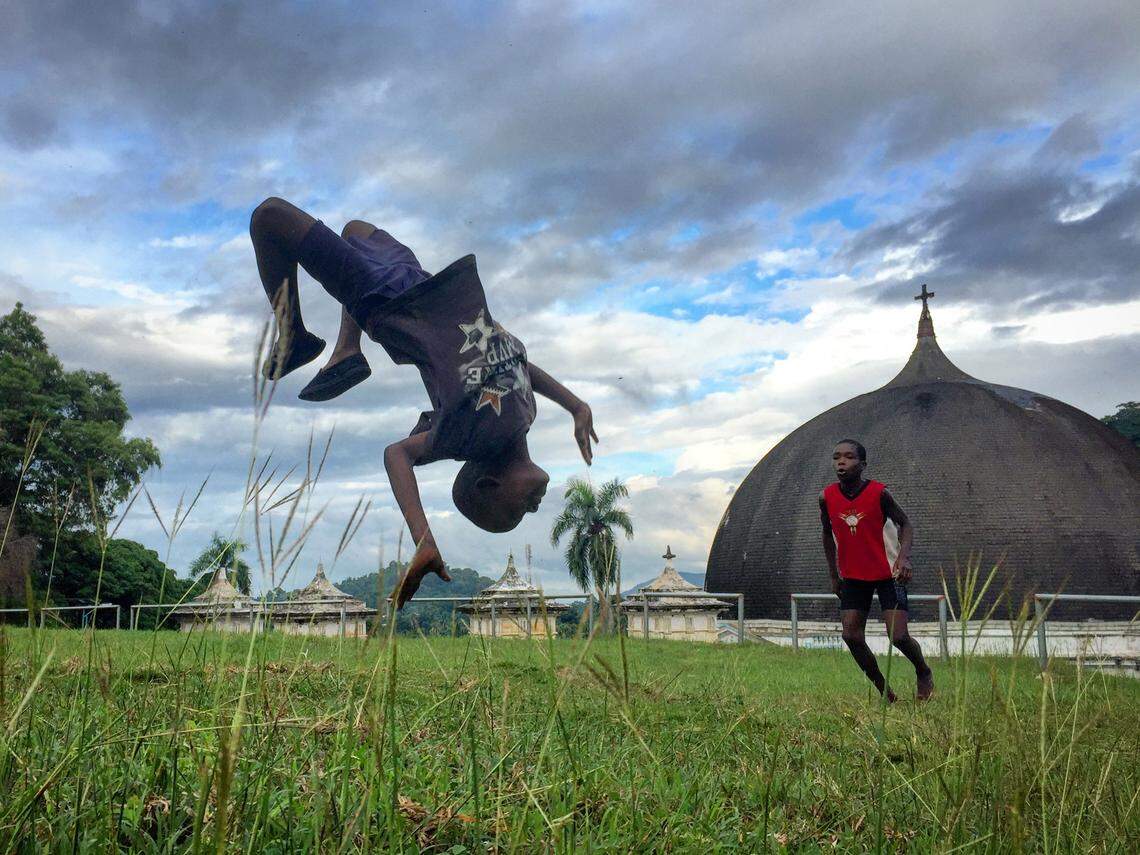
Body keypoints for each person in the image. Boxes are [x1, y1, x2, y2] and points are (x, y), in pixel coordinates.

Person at [248, 197, 598, 608]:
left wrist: (424, 539)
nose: (533, 511)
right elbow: (519, 364)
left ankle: (294, 338)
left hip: (386, 300)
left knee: (270, 217)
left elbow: (397, 454)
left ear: (490, 484)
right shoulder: (525, 415)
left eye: (516, 512)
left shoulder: (467, 436)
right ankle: (347, 350)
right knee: (356, 230)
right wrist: (575, 405)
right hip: (422, 283)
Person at [819, 439, 934, 701]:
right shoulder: (826, 497)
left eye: (849, 457)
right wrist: (833, 575)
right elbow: (827, 534)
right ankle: (884, 691)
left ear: (863, 464)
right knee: (850, 635)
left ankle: (923, 671)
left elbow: (906, 524)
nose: (841, 462)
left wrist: (903, 558)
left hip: (888, 574)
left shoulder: (879, 493)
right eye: (837, 457)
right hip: (853, 576)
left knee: (899, 636)